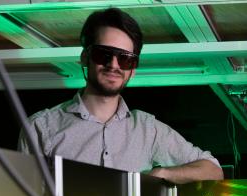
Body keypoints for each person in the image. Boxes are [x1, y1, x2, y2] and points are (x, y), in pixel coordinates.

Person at [18, 8, 223, 184]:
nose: (114, 65)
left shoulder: (147, 130)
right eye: (103, 54)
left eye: (125, 59)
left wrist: (164, 173)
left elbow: (213, 170)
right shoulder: (41, 128)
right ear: (85, 58)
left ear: (132, 70)